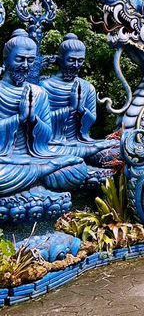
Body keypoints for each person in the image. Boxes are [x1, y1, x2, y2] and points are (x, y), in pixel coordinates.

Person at [0, 30, 88, 195]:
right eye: (20, 59)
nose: (25, 65)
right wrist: (19, 118)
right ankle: (39, 177)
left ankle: (38, 175)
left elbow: (47, 137)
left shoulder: (38, 92)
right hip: (5, 162)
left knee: (76, 168)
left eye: (30, 60)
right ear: (6, 58)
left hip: (33, 158)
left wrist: (33, 120)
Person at [40, 34, 118, 167]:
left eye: (80, 60)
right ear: (60, 59)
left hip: (80, 142)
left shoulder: (87, 87)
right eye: (71, 60)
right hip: (54, 145)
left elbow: (91, 120)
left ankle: (79, 159)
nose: (76, 65)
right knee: (65, 162)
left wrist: (81, 109)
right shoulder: (44, 86)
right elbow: (41, 124)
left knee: (117, 151)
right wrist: (71, 108)